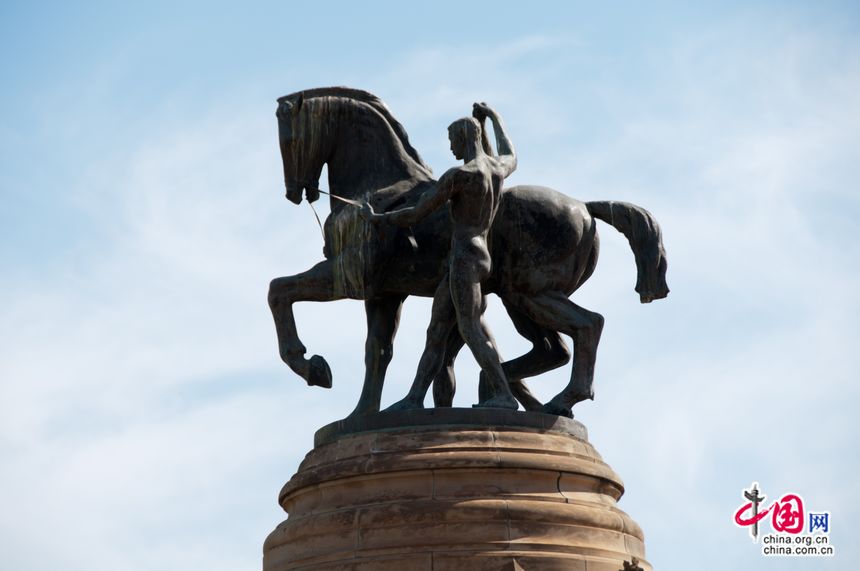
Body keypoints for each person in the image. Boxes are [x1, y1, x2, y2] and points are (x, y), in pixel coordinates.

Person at [361, 102, 518, 410]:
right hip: (477, 256)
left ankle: (504, 395)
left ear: (463, 137)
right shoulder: (497, 168)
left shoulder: (461, 175)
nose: (451, 147)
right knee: (436, 332)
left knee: (470, 328)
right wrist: (494, 118)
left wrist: (379, 219)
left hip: (463, 259)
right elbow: (510, 150)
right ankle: (414, 398)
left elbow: (418, 212)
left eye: (452, 141)